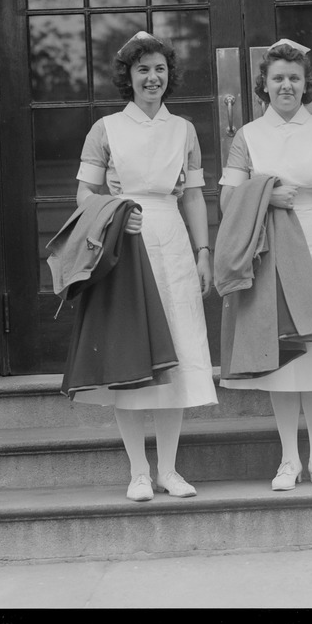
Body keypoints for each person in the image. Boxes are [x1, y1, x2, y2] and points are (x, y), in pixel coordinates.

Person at [218, 39, 312, 491]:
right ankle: (289, 459)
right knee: (281, 351)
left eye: (294, 78)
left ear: (306, 85)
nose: (286, 85)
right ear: (263, 85)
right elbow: (229, 199)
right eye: (278, 78)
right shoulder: (248, 136)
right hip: (269, 245)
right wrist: (267, 193)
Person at [72, 30, 218, 501]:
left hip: (171, 239)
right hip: (123, 246)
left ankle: (169, 469)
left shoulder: (184, 130)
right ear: (128, 77)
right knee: (129, 355)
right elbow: (84, 195)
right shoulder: (106, 129)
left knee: (173, 357)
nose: (151, 77)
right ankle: (138, 470)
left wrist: (202, 252)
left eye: (159, 68)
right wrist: (117, 217)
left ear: (168, 74)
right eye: (142, 70)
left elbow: (193, 195)